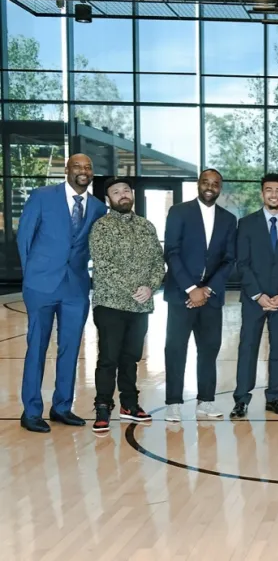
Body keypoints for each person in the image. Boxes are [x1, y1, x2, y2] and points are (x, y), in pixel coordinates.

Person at [16, 154, 107, 433]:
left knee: (70, 349)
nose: (83, 171)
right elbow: (24, 237)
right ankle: (31, 411)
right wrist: (30, 276)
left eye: (88, 167)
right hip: (41, 285)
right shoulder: (43, 196)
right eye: (78, 166)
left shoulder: (97, 208)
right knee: (38, 347)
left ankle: (62, 407)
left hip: (75, 287)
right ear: (67, 170)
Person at [89, 177, 166, 433]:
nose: (122, 195)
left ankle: (129, 405)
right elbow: (104, 265)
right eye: (116, 192)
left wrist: (150, 287)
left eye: (125, 190)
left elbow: (158, 262)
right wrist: (133, 289)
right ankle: (102, 406)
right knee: (108, 358)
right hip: (110, 304)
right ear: (108, 199)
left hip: (140, 306)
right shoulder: (101, 227)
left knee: (131, 358)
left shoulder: (147, 226)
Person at [163, 169, 237, 422]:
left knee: (209, 349)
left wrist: (207, 289)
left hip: (211, 297)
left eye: (215, 184)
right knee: (175, 349)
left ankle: (206, 401)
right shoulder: (179, 212)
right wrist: (190, 288)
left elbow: (229, 259)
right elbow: (171, 252)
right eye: (206, 182)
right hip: (181, 295)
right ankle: (173, 402)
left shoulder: (229, 219)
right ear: (198, 184)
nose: (210, 187)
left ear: (220, 188)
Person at [230, 174, 278, 419]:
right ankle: (241, 400)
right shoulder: (246, 224)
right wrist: (258, 295)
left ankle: (274, 397)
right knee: (248, 349)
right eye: (269, 190)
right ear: (262, 193)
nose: (274, 195)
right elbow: (242, 263)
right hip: (254, 300)